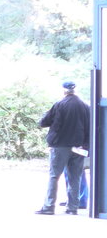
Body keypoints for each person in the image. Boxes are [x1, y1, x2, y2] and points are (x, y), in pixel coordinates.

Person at [36, 80, 91, 215]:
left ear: (63, 90)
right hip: (78, 147)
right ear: (74, 90)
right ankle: (72, 208)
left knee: (54, 176)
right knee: (75, 177)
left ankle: (49, 207)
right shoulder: (85, 106)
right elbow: (90, 127)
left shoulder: (59, 104)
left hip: (60, 146)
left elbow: (44, 122)